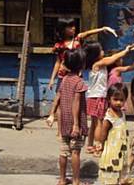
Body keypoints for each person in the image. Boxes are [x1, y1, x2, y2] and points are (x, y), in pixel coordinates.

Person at [46, 20, 116, 126]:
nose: (73, 28)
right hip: (63, 75)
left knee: (77, 100)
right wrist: (52, 79)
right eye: (70, 27)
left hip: (76, 75)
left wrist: (102, 28)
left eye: (73, 26)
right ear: (63, 29)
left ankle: (76, 124)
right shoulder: (59, 45)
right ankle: (56, 123)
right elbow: (58, 62)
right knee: (60, 100)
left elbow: (89, 33)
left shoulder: (77, 40)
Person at [84, 41, 134, 153]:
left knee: (94, 123)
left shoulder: (98, 65)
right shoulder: (98, 64)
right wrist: (126, 50)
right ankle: (98, 147)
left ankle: (90, 145)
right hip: (98, 96)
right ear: (96, 54)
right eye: (101, 50)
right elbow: (113, 58)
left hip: (93, 96)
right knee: (99, 123)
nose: (103, 51)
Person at [57, 49, 88, 185]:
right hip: (76, 122)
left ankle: (62, 179)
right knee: (75, 151)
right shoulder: (79, 82)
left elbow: (59, 98)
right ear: (81, 65)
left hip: (64, 120)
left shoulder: (64, 80)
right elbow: (76, 103)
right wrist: (76, 124)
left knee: (64, 151)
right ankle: (76, 181)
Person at [94, 83, 129, 185]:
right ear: (109, 99)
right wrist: (100, 145)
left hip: (121, 149)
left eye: (121, 100)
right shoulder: (109, 117)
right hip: (111, 151)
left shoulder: (122, 113)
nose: (118, 102)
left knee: (120, 174)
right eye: (116, 99)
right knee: (111, 175)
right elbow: (103, 133)